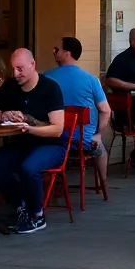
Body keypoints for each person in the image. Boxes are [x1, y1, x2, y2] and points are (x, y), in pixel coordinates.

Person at [0, 49, 65, 234]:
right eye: (13, 69)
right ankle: (21, 204)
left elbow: (57, 129)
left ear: (32, 65)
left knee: (28, 167)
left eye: (20, 69)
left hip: (50, 145)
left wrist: (30, 128)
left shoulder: (50, 88)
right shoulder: (11, 86)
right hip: (21, 144)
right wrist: (2, 114)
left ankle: (37, 215)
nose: (15, 74)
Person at [43, 37, 111, 194]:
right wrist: (98, 134)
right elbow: (106, 110)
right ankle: (104, 185)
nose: (54, 52)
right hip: (83, 142)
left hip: (52, 137)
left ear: (67, 53)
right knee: (101, 149)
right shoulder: (91, 80)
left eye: (56, 50)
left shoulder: (46, 78)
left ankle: (54, 181)